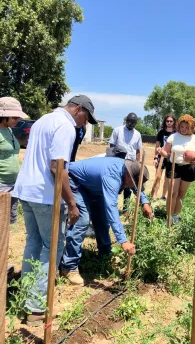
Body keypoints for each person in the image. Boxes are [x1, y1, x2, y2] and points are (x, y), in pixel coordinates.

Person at [12, 94, 97, 326]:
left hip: (26, 190)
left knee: (33, 243)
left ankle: (25, 297)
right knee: (52, 247)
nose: (84, 125)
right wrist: (71, 203)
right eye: (85, 119)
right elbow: (56, 167)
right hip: (45, 195)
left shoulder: (43, 120)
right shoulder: (65, 126)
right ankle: (37, 307)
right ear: (78, 109)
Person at [60, 156, 153, 285]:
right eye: (133, 183)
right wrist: (123, 240)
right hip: (76, 183)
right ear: (128, 175)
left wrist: (144, 202)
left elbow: (135, 184)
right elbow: (112, 209)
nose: (133, 187)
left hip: (94, 187)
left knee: (102, 221)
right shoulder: (112, 177)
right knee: (82, 221)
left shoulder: (128, 169)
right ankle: (69, 267)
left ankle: (105, 254)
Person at [159, 114, 195, 224]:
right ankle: (168, 217)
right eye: (182, 127)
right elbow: (166, 151)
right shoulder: (173, 137)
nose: (184, 129)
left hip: (189, 168)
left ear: (191, 128)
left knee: (181, 194)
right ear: (179, 126)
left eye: (187, 127)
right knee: (173, 193)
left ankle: (176, 216)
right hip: (174, 166)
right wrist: (164, 154)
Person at [0, 97, 28, 224]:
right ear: (4, 116)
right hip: (1, 185)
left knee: (7, 223)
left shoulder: (9, 130)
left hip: (13, 184)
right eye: (15, 117)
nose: (18, 120)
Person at [109, 113, 142, 212]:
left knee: (128, 187)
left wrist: (137, 163)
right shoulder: (117, 130)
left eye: (133, 122)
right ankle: (111, 208)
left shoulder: (137, 134)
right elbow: (111, 146)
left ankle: (125, 209)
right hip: (118, 161)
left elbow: (138, 150)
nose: (131, 124)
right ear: (126, 120)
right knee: (115, 185)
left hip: (131, 163)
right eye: (129, 121)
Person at [152, 114, 176, 200]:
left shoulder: (176, 133)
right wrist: (155, 157)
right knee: (158, 176)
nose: (169, 123)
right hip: (160, 156)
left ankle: (163, 196)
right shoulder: (161, 132)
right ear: (165, 122)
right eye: (167, 121)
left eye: (171, 121)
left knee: (167, 178)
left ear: (174, 122)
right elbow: (157, 145)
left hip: (170, 157)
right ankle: (154, 195)